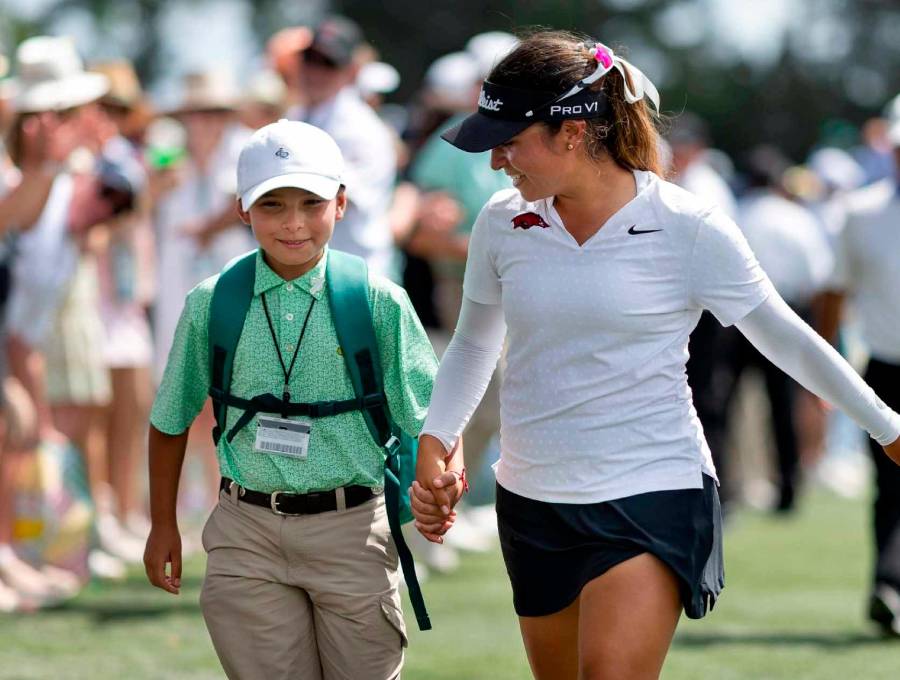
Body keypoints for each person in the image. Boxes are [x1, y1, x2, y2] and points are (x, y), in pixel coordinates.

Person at [409, 31, 900, 679]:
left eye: (509, 141)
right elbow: (475, 339)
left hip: (653, 487)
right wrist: (435, 440)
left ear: (572, 133)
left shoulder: (687, 226)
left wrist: (887, 427)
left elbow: (782, 334)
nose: (498, 162)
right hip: (531, 498)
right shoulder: (502, 221)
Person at [144, 120, 442, 679]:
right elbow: (169, 419)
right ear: (242, 210)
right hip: (245, 529)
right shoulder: (210, 302)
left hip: (353, 528)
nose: (294, 222)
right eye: (272, 205)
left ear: (342, 203)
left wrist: (442, 485)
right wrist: (162, 524)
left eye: (311, 202)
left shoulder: (378, 301)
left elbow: (429, 419)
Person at [819, 114, 900, 637]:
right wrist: (828, 367)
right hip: (888, 368)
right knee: (890, 486)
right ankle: (889, 586)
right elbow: (834, 292)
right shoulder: (860, 211)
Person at [289, 16, 398, 279]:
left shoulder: (363, 129)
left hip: (355, 272)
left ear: (351, 70)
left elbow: (340, 199)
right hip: (314, 270)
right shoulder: (297, 116)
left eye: (328, 63)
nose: (315, 71)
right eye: (310, 60)